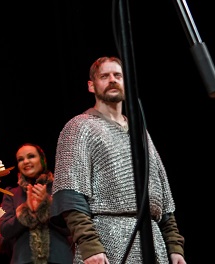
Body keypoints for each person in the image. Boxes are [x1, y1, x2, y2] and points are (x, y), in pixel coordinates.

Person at [51, 56, 187, 264]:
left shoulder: (141, 133)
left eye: (117, 75)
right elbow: (70, 194)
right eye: (104, 76)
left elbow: (163, 198)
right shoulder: (79, 128)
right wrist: (90, 246)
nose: (112, 80)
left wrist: (174, 246)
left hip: (153, 242)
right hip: (106, 240)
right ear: (91, 85)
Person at [0, 143, 73, 263]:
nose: (26, 161)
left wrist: (47, 205)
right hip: (23, 260)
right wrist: (26, 211)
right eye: (20, 159)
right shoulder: (11, 193)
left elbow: (71, 227)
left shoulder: (60, 189)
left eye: (31, 156)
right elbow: (5, 231)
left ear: (43, 160)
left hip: (59, 258)